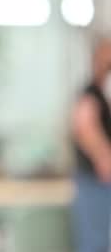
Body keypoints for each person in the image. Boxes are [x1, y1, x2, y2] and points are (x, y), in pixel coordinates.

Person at [71, 39, 111, 252]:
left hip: (98, 182)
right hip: (94, 181)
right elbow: (85, 129)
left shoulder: (101, 94)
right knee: (95, 243)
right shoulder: (90, 94)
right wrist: (105, 160)